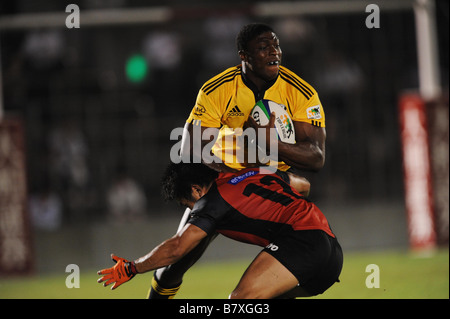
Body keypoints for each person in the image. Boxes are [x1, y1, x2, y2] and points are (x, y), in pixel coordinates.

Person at [150, 22, 327, 298]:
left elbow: (316, 158)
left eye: (276, 45)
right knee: (177, 260)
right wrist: (228, 176)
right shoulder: (218, 89)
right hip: (225, 181)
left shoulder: (301, 93)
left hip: (271, 183)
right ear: (244, 55)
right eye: (264, 47)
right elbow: (192, 145)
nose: (274, 52)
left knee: (300, 252)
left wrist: (271, 144)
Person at [97, 163, 342, 298]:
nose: (192, 211)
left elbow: (177, 248)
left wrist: (132, 267)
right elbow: (304, 186)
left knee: (239, 302)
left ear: (196, 190)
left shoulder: (211, 201)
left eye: (187, 205)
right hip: (330, 251)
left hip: (302, 243)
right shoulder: (254, 171)